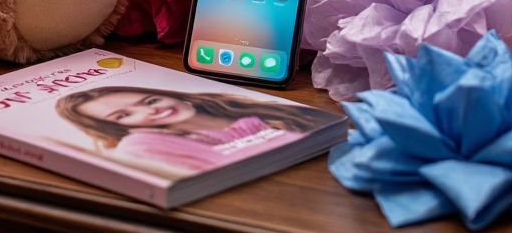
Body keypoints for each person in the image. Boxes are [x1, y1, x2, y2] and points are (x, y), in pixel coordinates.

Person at [55, 86, 332, 172]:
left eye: (150, 101)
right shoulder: (141, 145)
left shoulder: (243, 106)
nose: (151, 111)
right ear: (115, 126)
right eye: (124, 115)